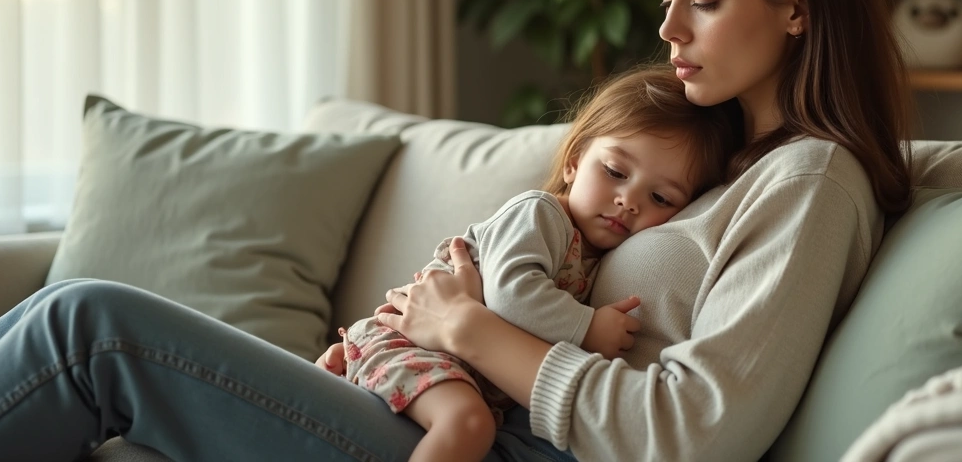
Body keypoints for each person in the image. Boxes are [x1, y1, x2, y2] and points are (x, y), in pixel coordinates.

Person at [0, 0, 913, 461]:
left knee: (88, 328)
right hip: (444, 406)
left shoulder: (812, 183)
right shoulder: (730, 162)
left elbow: (694, 433)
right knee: (77, 321)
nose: (666, 28)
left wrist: (468, 330)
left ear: (797, 6)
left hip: (486, 438)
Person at [314, 65, 739, 462]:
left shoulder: (599, 257)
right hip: (413, 345)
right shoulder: (540, 214)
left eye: (660, 198)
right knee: (468, 425)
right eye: (614, 171)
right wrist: (585, 327)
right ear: (574, 162)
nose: (629, 201)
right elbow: (509, 294)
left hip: (450, 366)